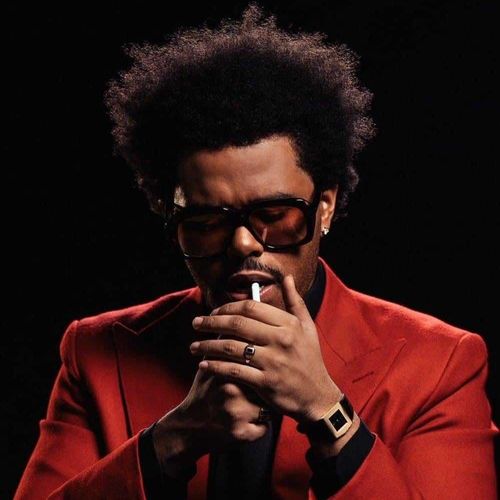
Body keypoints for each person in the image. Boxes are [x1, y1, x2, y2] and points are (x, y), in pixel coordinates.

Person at [15, 4, 498, 499]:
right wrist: (174, 438)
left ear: (325, 207)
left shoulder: (439, 363)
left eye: (275, 214)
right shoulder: (98, 352)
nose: (243, 242)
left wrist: (328, 412)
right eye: (207, 221)